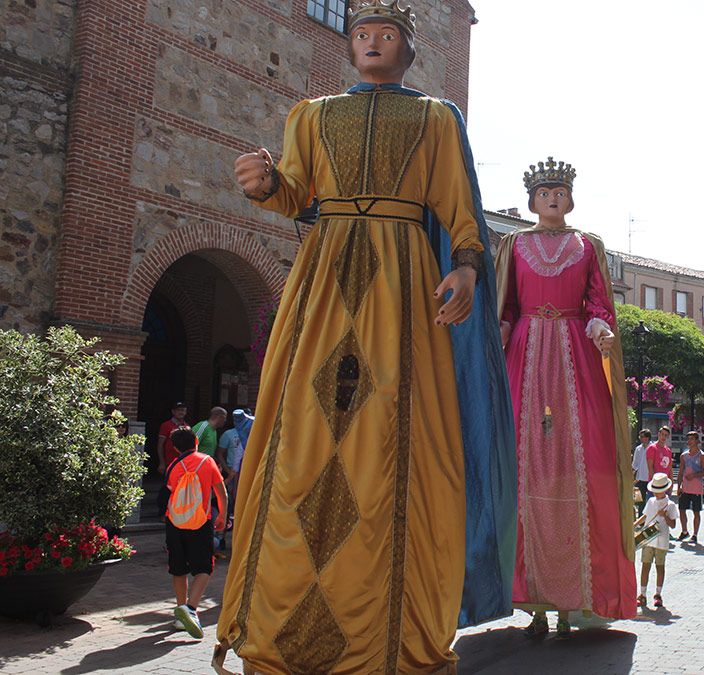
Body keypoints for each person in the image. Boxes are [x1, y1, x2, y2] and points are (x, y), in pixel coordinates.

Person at [217, 4, 518, 670]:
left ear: (410, 51)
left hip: (404, 286)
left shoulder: (437, 118)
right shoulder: (311, 116)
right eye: (362, 35)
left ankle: (392, 627)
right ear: (350, 47)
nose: (372, 43)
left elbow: (462, 214)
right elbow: (298, 191)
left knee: (399, 435)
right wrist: (266, 184)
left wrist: (467, 270)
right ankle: (285, 618)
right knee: (303, 431)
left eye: (386, 36)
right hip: (324, 282)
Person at [495, 156, 636, 637]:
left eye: (559, 192)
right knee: (523, 465)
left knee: (584, 466)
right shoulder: (513, 243)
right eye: (544, 193)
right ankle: (531, 599)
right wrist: (502, 328)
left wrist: (599, 325)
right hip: (526, 353)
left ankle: (576, 600)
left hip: (575, 351)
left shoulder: (588, 244)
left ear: (570, 198)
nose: (552, 199)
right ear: (531, 200)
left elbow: (598, 298)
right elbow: (507, 301)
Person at [163, 427, 227, 640]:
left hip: (175, 521)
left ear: (175, 446)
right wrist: (223, 516)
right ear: (196, 441)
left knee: (178, 568)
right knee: (204, 567)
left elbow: (170, 491)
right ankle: (191, 609)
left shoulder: (173, 466)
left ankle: (181, 612)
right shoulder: (207, 461)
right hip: (201, 521)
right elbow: (221, 492)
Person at [637, 472, 679, 609]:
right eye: (655, 491)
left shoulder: (671, 505)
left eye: (658, 491)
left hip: (661, 540)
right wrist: (634, 524)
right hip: (649, 539)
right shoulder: (651, 501)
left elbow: (673, 525)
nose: (656, 494)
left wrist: (665, 516)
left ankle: (658, 594)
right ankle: (642, 594)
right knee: (645, 565)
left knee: (660, 567)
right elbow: (645, 516)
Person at [676, 431, 704, 543]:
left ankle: (695, 534)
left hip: (696, 489)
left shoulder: (702, 456)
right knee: (681, 510)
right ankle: (684, 531)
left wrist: (694, 475)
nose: (689, 441)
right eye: (688, 439)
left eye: (692, 439)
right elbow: (680, 472)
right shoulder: (683, 456)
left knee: (696, 512)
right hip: (685, 488)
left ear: (697, 441)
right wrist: (679, 486)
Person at [156, 401, 188, 475]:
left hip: (184, 463)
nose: (181, 412)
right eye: (178, 410)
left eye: (183, 410)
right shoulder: (166, 425)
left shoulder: (187, 427)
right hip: (169, 463)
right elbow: (160, 445)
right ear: (173, 412)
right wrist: (162, 463)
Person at [632, 429, 652, 504]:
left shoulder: (652, 448)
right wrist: (632, 477)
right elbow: (635, 464)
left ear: (647, 438)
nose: (640, 438)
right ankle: (641, 515)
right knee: (640, 501)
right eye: (640, 436)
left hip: (650, 478)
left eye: (642, 436)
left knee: (651, 500)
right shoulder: (638, 449)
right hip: (640, 479)